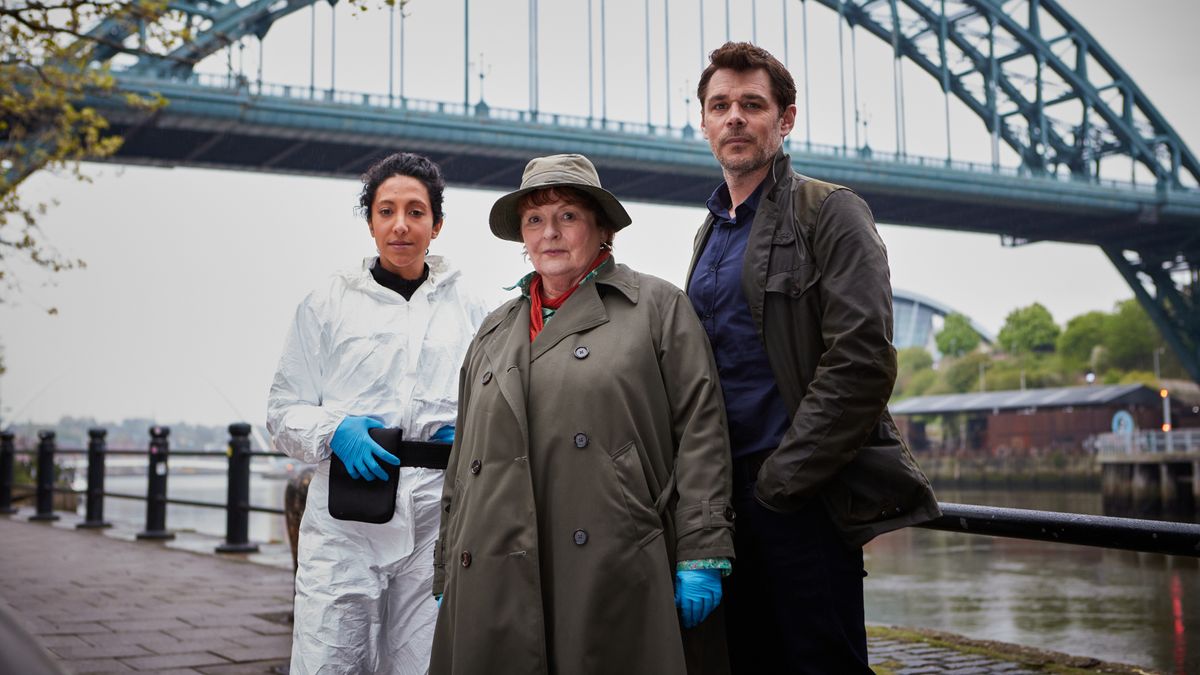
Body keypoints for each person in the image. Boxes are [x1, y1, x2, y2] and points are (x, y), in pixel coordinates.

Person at [687, 42, 942, 673]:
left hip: (800, 499)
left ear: (786, 118)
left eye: (753, 104)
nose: (735, 118)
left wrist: (782, 483)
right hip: (723, 506)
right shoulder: (710, 234)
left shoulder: (831, 213)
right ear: (703, 122)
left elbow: (862, 363)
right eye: (721, 105)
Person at [430, 154, 735, 675]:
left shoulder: (657, 308)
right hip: (491, 574)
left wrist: (702, 548)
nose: (549, 232)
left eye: (567, 216)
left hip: (610, 559)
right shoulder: (493, 330)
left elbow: (702, 431)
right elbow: (463, 464)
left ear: (602, 228)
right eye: (534, 220)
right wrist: (445, 572)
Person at [267, 152, 489, 674]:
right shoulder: (325, 304)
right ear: (369, 221)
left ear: (437, 224)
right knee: (330, 661)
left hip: (438, 518)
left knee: (425, 664)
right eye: (386, 210)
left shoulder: (472, 310)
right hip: (347, 522)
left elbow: (498, 402)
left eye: (416, 211)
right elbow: (281, 411)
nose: (401, 225)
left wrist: (478, 429)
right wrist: (334, 430)